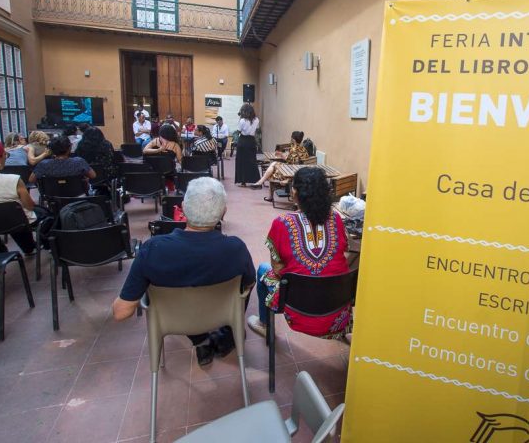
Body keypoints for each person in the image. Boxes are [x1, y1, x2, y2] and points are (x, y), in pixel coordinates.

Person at [111, 177, 256, 366]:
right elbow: (249, 283)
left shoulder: (152, 250)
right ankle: (228, 335)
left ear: (182, 209)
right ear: (223, 212)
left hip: (173, 319)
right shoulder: (236, 248)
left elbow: (121, 313)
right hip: (220, 313)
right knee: (246, 282)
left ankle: (200, 341)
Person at [248, 167, 351, 338]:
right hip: (336, 313)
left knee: (262, 270)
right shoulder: (336, 219)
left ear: (295, 192)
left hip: (299, 313)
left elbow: (278, 270)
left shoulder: (282, 222)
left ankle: (264, 325)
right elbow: (344, 253)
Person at [0, 139, 50, 255]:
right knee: (42, 214)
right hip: (17, 222)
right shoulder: (14, 180)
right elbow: (30, 206)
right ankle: (41, 246)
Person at [250, 131, 309, 200]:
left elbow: (290, 161)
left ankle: (263, 186)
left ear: (293, 139)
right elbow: (294, 159)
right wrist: (284, 155)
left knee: (272, 171)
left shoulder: (294, 149)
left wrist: (281, 155)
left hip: (290, 171)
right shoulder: (303, 148)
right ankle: (260, 183)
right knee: (273, 164)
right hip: (298, 169)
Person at [29, 135, 96, 187]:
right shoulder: (79, 161)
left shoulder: (43, 164)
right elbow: (93, 175)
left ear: (51, 150)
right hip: (77, 197)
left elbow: (31, 180)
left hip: (52, 198)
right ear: (70, 147)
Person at [234, 103, 260, 186]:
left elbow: (238, 131)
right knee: (252, 161)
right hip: (251, 141)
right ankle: (255, 180)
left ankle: (243, 181)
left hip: (243, 141)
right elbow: (257, 130)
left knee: (242, 162)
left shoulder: (242, 120)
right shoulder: (256, 120)